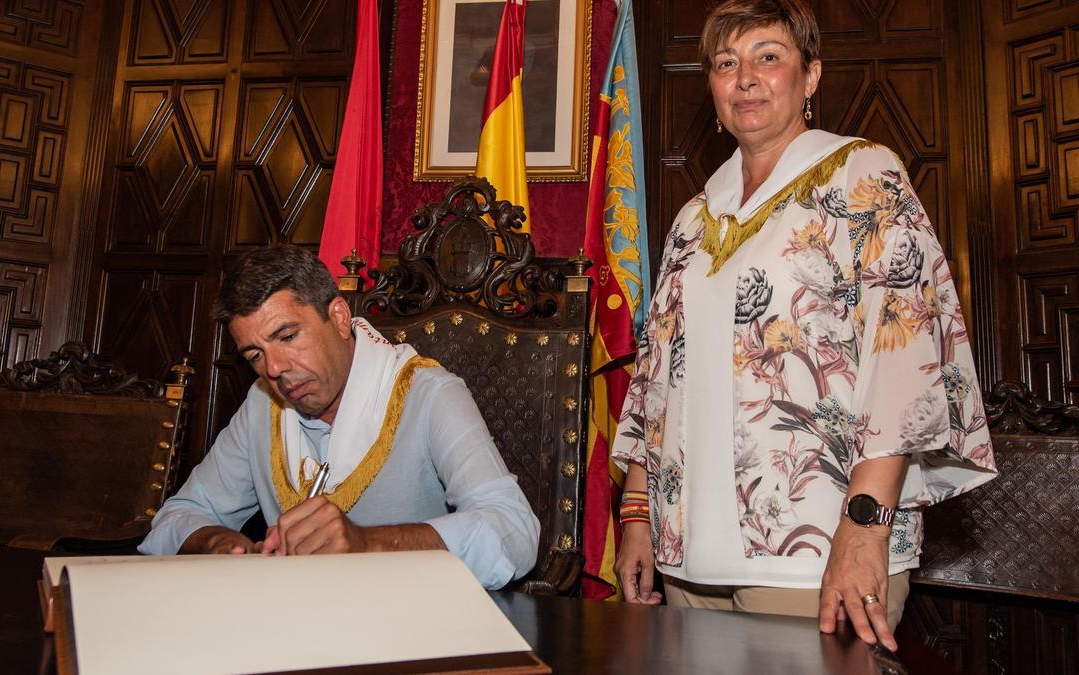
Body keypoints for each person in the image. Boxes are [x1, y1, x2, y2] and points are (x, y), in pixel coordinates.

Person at [611, 0, 997, 652]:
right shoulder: (691, 219)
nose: (745, 79)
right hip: (688, 561)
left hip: (816, 553)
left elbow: (904, 363)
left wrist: (866, 527)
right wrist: (638, 514)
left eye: (769, 57)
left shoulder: (862, 175)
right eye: (726, 63)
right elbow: (656, 381)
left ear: (811, 75)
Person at [139, 244, 540, 590]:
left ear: (339, 317)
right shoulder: (262, 406)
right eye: (254, 355)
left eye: (287, 336)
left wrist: (369, 544)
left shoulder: (429, 394)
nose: (274, 368)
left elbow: (515, 531)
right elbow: (176, 517)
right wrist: (221, 546)